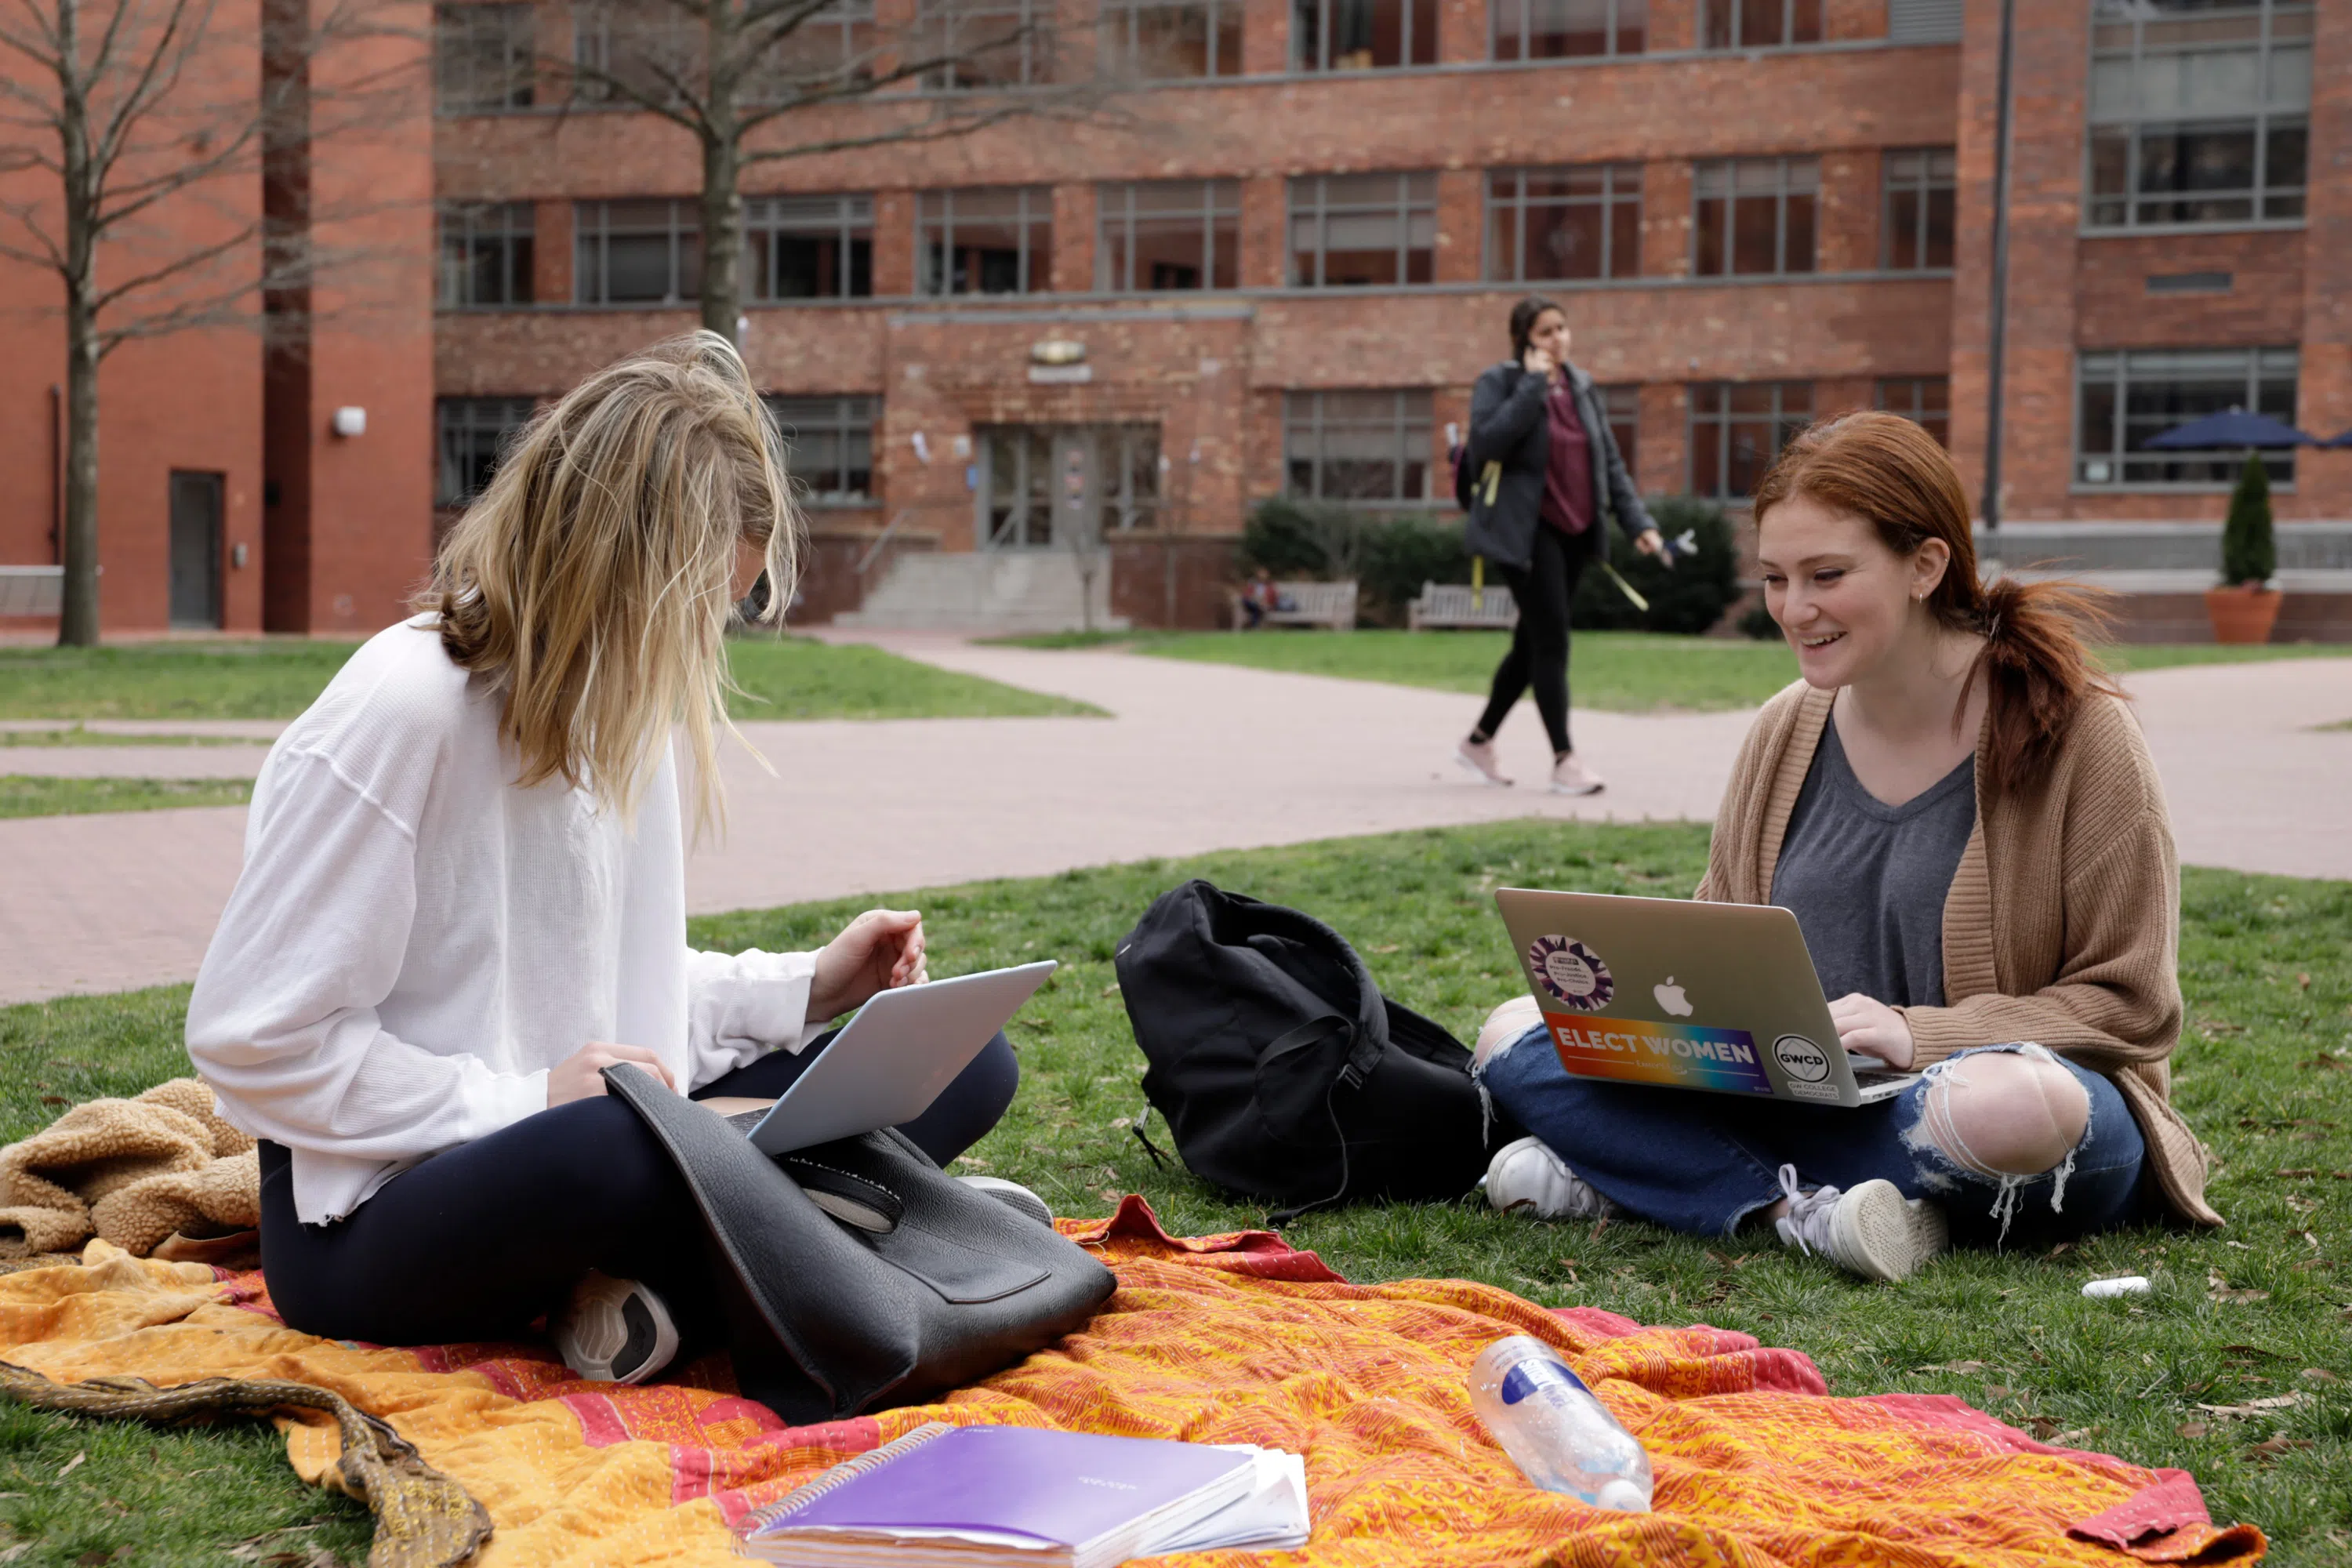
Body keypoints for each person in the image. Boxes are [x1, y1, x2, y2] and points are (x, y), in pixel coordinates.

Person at [185, 332, 1035, 1387]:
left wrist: (809, 988)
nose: (702, 649)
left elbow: (604, 999)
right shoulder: (401, 714)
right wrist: (531, 1100)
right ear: (604, 571)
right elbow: (250, 1038)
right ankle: (846, 1226)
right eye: (692, 613)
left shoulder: (620, 711)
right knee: (619, 1141)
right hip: (374, 1219)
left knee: (956, 1060)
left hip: (587, 1144)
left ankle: (674, 1290)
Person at [1472, 411, 2216, 1281]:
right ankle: (1803, 1210)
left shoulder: (2082, 730)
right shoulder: (1783, 729)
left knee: (2016, 1103)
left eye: (1827, 574)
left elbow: (2133, 1006)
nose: (1795, 608)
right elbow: (1721, 950)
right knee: (1512, 1030)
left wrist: (1920, 1033)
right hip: (1801, 1091)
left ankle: (1651, 1170)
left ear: (1926, 565)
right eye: (1776, 578)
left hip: (1986, 1113)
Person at [1457, 296, 1664, 796]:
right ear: (1525, 339)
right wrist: (1531, 385)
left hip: (1576, 533)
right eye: (1546, 331)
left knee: (1531, 645)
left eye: (1562, 329)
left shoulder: (1582, 386)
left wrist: (1638, 522)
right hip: (1527, 537)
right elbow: (1486, 444)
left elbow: (1608, 462)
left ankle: (1478, 742)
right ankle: (1564, 761)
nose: (1557, 339)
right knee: (1552, 643)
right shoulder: (1501, 383)